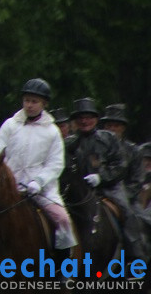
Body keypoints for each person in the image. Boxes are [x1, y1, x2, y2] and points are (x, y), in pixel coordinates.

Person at [0, 78, 77, 250]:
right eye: (26, 100)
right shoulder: (10, 125)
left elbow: (55, 164)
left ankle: (63, 269)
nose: (29, 105)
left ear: (44, 103)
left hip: (40, 191)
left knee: (63, 221)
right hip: (8, 189)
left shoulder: (52, 132)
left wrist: (38, 181)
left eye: (34, 101)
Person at [66, 98, 148, 261]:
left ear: (95, 119)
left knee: (128, 213)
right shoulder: (69, 143)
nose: (84, 121)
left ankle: (135, 257)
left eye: (88, 117)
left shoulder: (108, 138)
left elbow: (120, 164)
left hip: (109, 188)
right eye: (80, 118)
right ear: (75, 122)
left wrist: (101, 177)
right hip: (79, 191)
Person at [99, 104, 145, 204]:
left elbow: (137, 181)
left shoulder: (134, 151)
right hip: (98, 193)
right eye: (109, 125)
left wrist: (122, 197)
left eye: (116, 126)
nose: (112, 129)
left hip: (126, 197)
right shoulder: (96, 147)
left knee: (140, 218)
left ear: (123, 128)